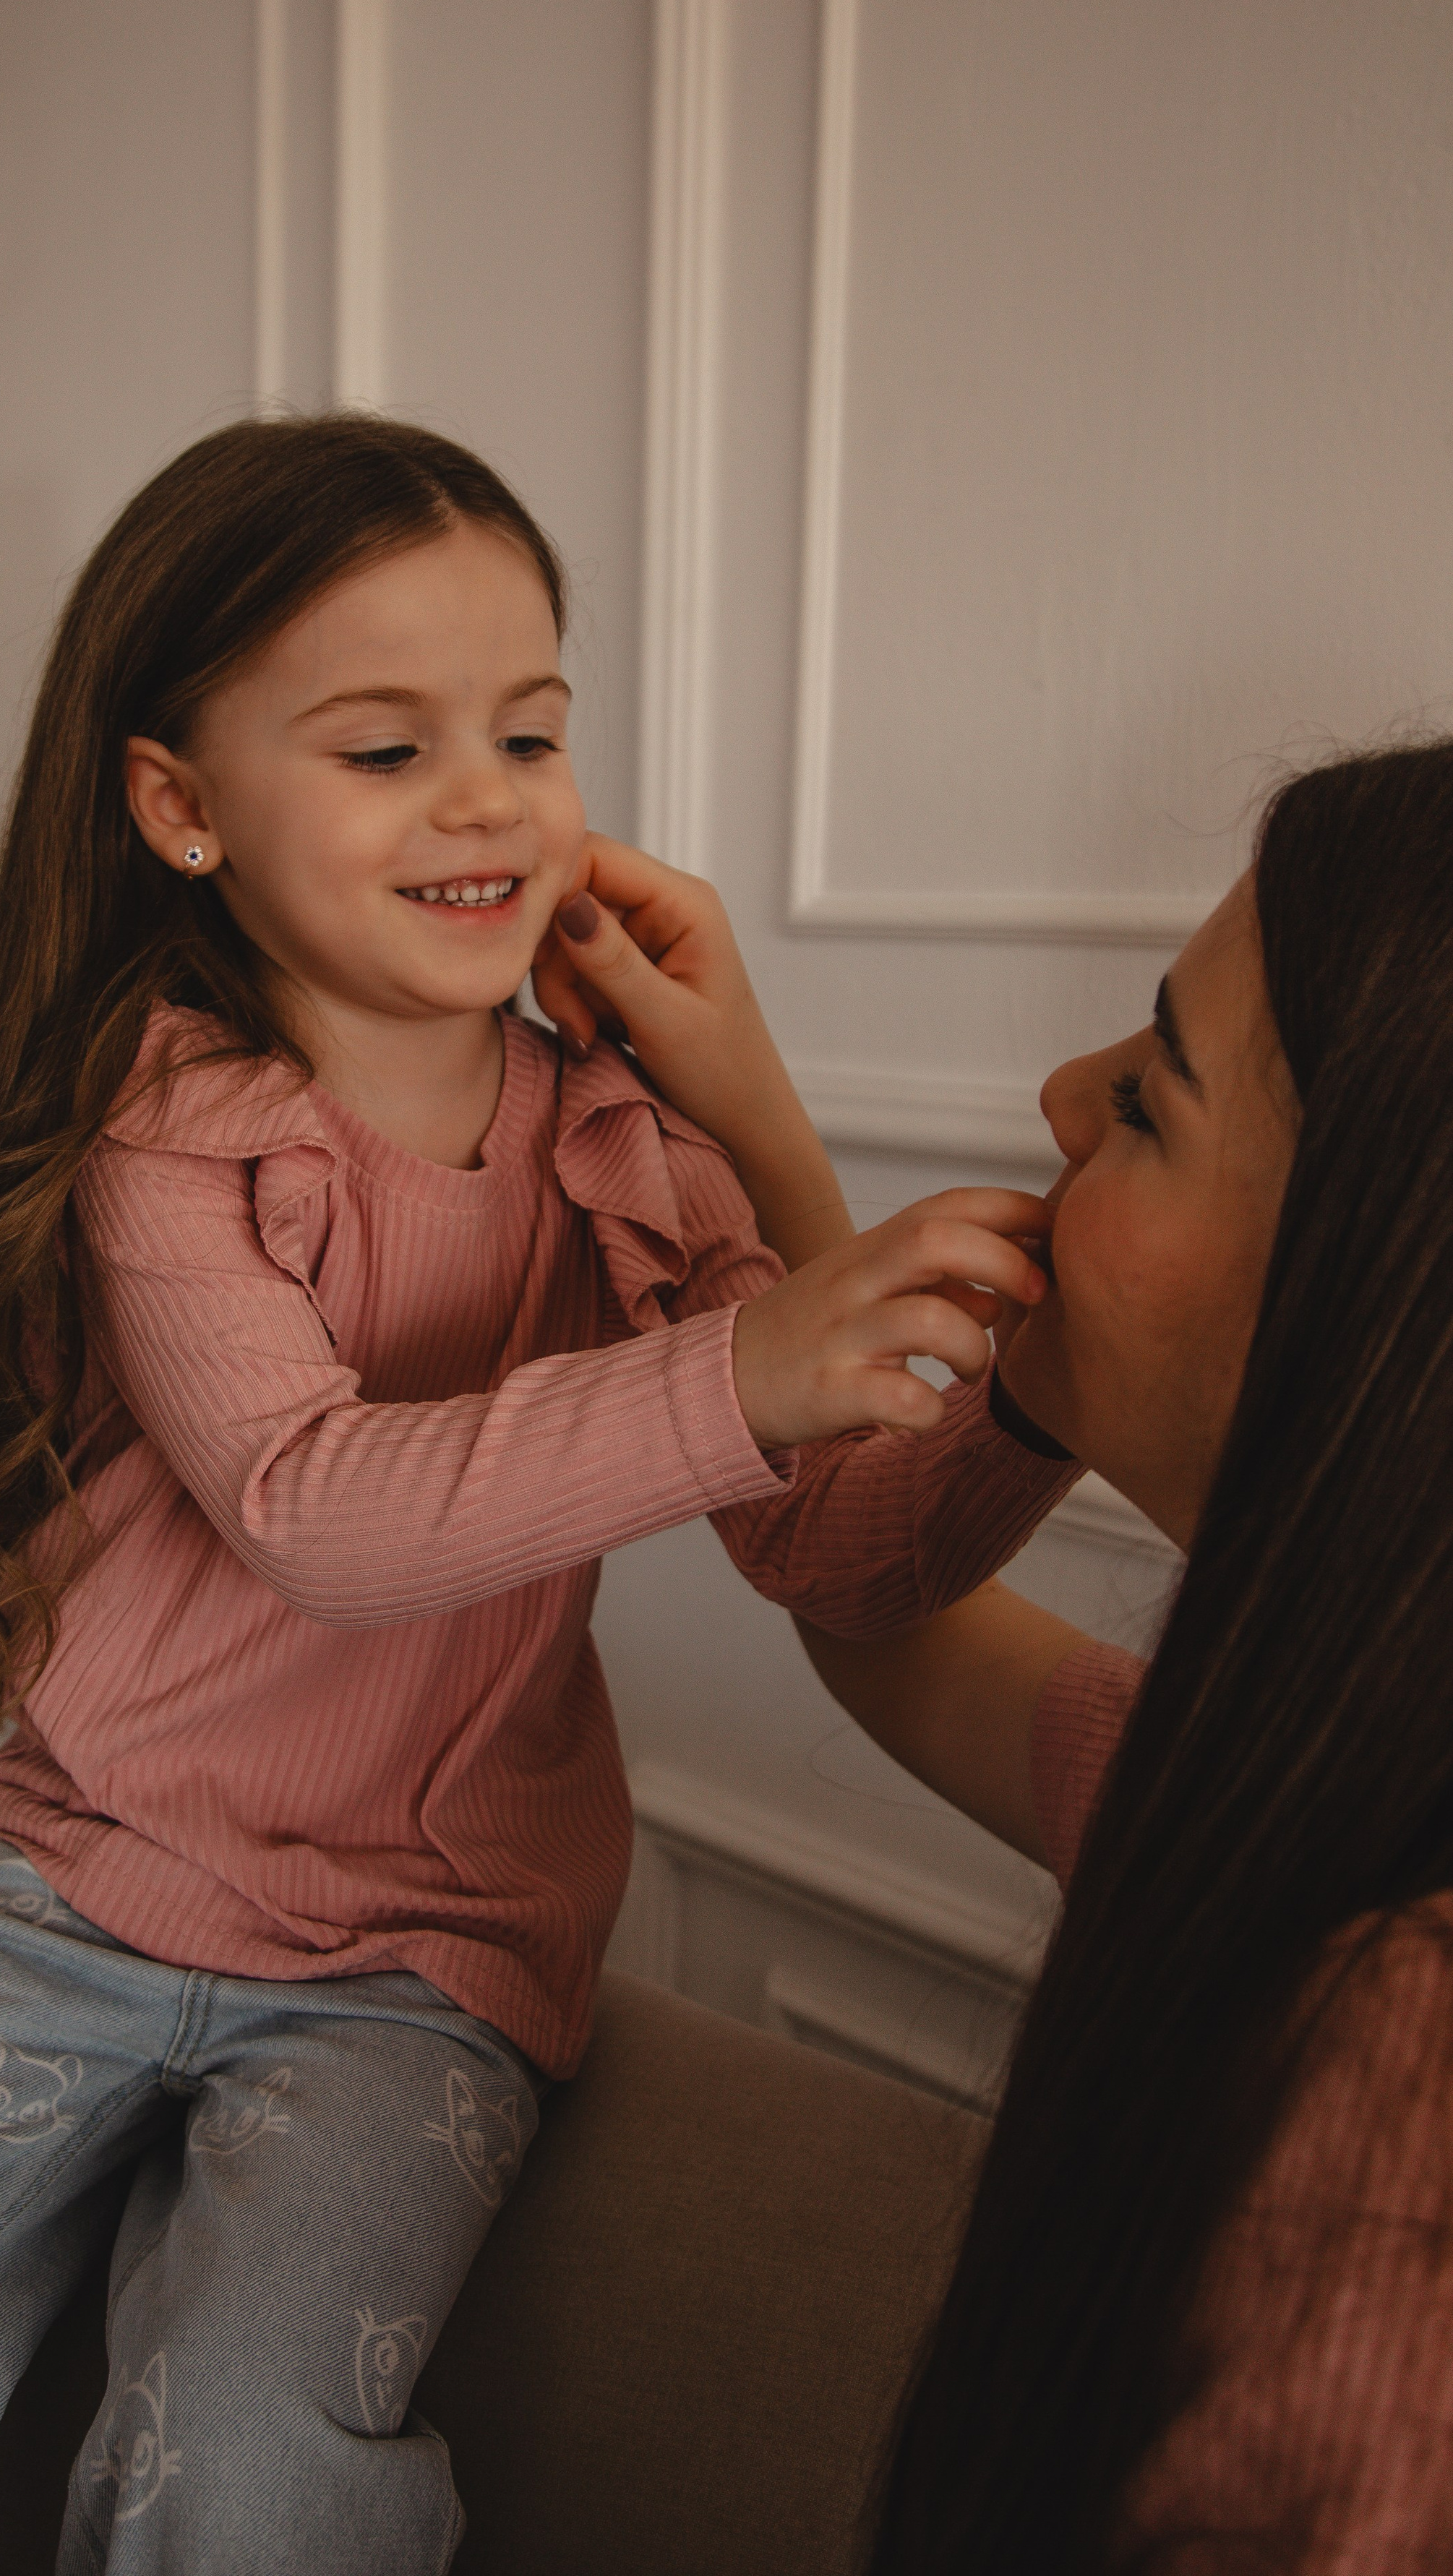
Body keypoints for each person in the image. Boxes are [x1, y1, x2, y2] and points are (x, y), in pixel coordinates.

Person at [0, 413, 1077, 2575]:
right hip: (81, 1880)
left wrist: (1030, 1384)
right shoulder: (170, 1126)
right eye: (387, 748)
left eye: (530, 733)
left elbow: (833, 1551)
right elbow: (311, 1504)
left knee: (248, 2465)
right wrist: (746, 1363)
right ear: (180, 807)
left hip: (425, 1957)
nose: (486, 797)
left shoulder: (624, 1144)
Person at [549, 739, 1453, 2571]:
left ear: (1370, 1308)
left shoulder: (1393, 2072)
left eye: (1150, 1098)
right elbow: (880, 1616)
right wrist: (755, 1133)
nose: (1057, 1096)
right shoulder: (1266, 1795)